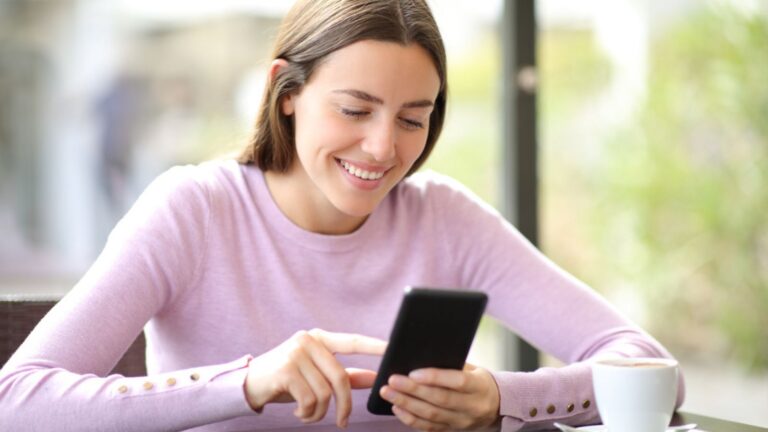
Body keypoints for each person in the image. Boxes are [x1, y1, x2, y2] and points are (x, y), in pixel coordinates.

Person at [0, 0, 685, 430]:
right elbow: (19, 402)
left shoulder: (442, 218)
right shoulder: (194, 210)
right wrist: (244, 382)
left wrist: (497, 398)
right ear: (285, 91)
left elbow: (653, 369)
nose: (384, 149)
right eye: (355, 110)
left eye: (414, 119)